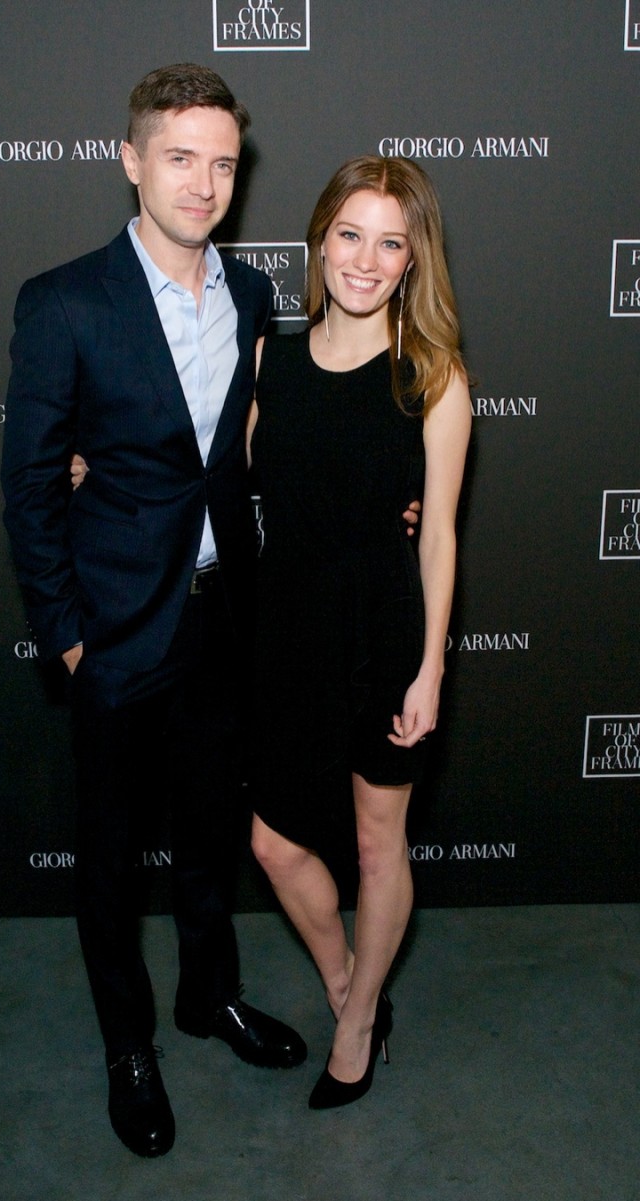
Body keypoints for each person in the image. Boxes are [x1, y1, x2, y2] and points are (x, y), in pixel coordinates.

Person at [0, 63, 310, 1160]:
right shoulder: (64, 300)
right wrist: (69, 633)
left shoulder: (257, 296)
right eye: (179, 156)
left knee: (207, 837)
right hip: (117, 629)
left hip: (226, 620)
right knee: (107, 855)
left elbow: (265, 450)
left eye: (222, 162)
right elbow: (31, 486)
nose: (203, 182)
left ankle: (206, 996)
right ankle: (127, 1046)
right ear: (129, 159)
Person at [247, 156, 471, 1109]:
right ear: (319, 239)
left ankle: (357, 1019)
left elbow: (441, 535)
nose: (367, 260)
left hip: (383, 634)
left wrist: (429, 670)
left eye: (392, 242)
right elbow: (210, 475)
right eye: (351, 234)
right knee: (272, 842)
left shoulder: (434, 376)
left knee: (381, 848)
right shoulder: (271, 362)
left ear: (414, 261)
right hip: (286, 635)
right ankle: (350, 984)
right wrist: (95, 465)